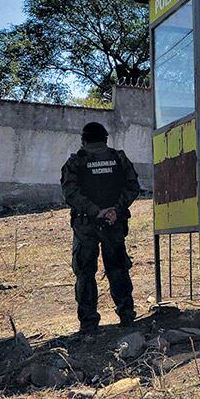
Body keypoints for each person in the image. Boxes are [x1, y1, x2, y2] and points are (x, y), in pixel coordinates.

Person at [61, 122, 141, 333]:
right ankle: (126, 317)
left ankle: (88, 324)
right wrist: (115, 210)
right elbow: (133, 186)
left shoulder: (76, 162)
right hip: (114, 224)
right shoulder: (119, 158)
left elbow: (70, 193)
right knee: (118, 269)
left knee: (85, 273)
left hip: (86, 225)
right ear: (106, 139)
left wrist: (95, 211)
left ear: (83, 140)